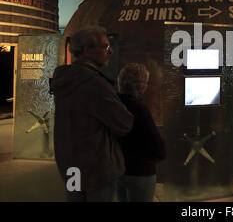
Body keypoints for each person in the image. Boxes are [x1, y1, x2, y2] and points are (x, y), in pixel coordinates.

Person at [51, 26, 134, 202]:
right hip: (97, 170)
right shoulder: (95, 84)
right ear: (87, 50)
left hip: (70, 165)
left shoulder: (63, 79)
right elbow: (124, 123)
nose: (110, 51)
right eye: (105, 47)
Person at [116, 63, 165, 202]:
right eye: (146, 82)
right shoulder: (139, 109)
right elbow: (157, 146)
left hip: (120, 170)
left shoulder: (115, 104)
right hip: (141, 172)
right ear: (140, 85)